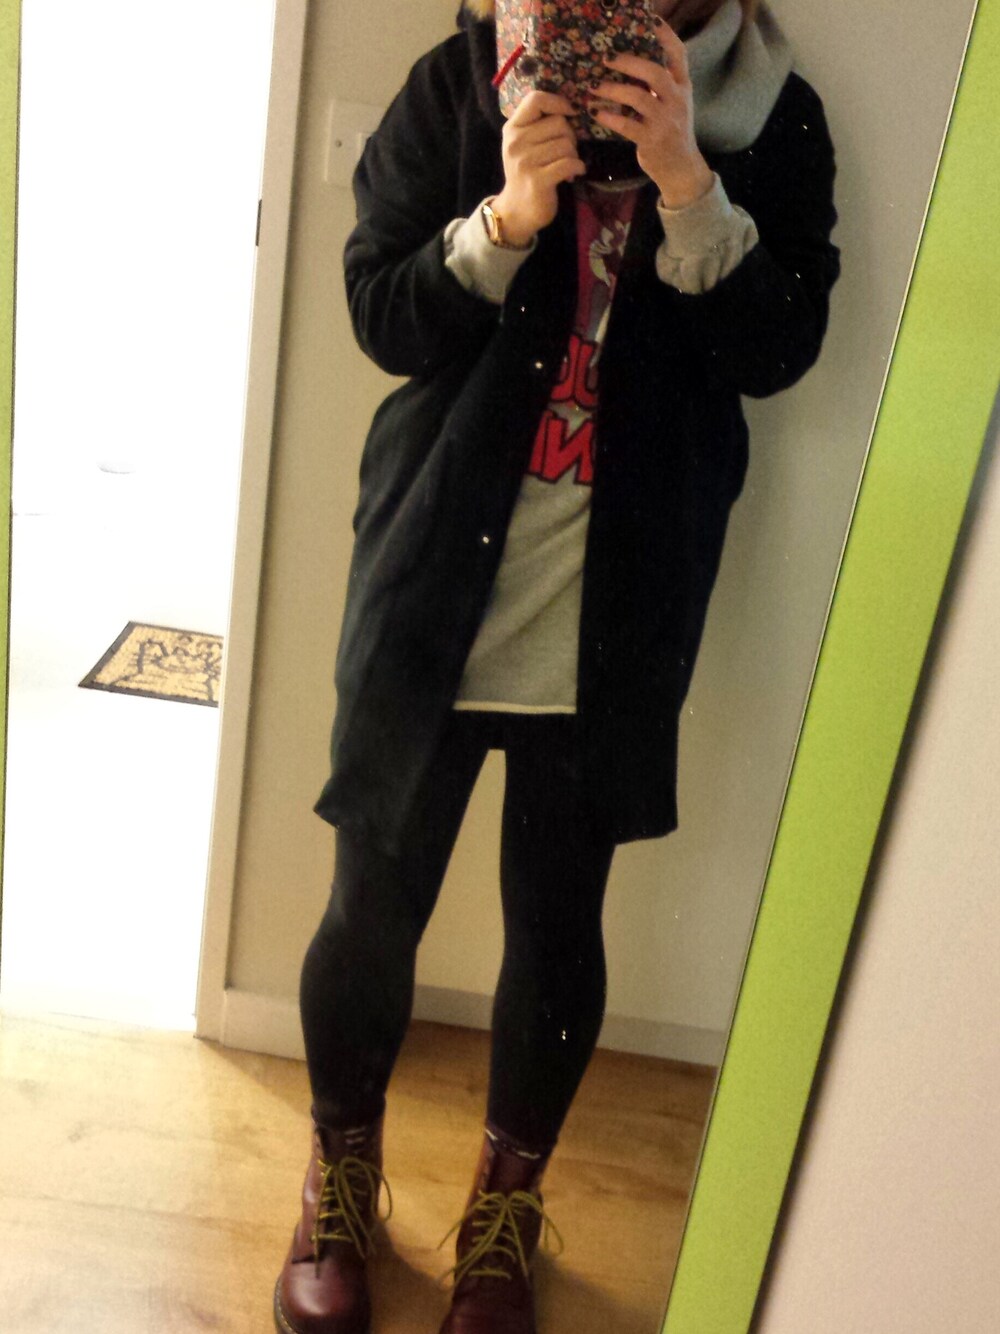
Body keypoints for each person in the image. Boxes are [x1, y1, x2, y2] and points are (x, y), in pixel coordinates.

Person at [274, 0, 840, 1331]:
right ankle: (337, 1180)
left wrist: (690, 184)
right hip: (433, 578)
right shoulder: (464, 81)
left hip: (616, 606)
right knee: (372, 900)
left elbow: (780, 349)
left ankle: (503, 1212)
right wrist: (508, 218)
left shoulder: (770, 117)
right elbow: (379, 311)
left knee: (557, 915)